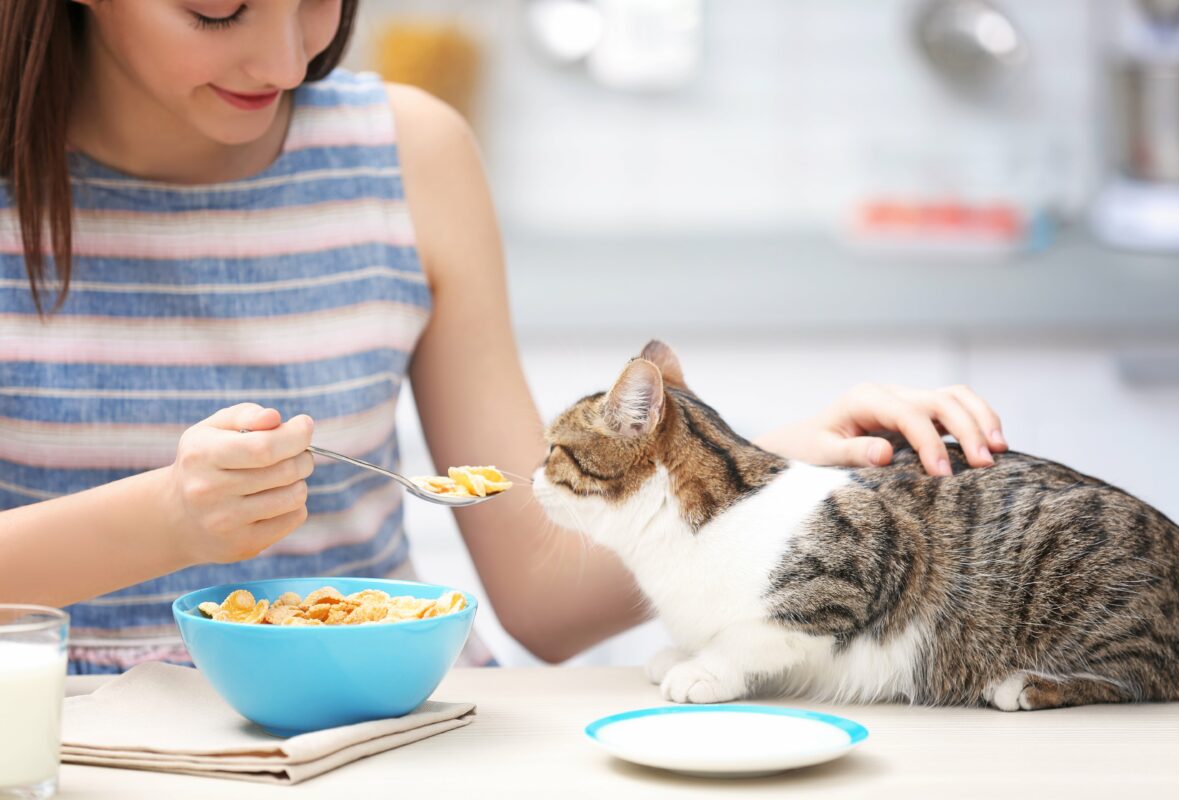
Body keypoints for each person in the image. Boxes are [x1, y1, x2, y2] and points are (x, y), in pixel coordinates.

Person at [0, 0, 1008, 673]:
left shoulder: (408, 151)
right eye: (216, 8)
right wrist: (171, 517)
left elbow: (541, 590)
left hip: (395, 736)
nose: (283, 56)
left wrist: (773, 472)